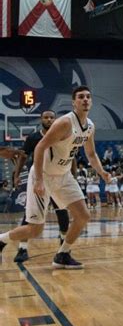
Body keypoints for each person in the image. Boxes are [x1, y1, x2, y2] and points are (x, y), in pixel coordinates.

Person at [0, 87, 111, 269]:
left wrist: (102, 172)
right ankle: (2, 239)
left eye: (88, 97)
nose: (85, 100)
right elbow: (39, 148)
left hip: (64, 175)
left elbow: (91, 154)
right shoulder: (65, 123)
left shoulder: (90, 126)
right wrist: (38, 180)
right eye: (81, 97)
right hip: (44, 174)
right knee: (35, 229)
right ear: (74, 102)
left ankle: (62, 254)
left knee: (83, 216)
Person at [10, 110, 70, 264]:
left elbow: (71, 157)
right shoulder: (33, 137)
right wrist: (16, 175)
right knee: (29, 215)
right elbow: (23, 156)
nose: (49, 119)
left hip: (58, 178)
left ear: (55, 119)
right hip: (39, 180)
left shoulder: (63, 135)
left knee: (62, 212)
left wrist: (72, 176)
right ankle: (23, 248)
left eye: (51, 117)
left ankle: (64, 244)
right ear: (41, 119)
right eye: (46, 117)